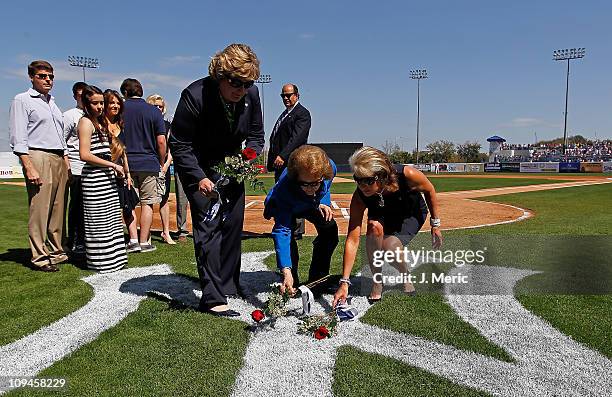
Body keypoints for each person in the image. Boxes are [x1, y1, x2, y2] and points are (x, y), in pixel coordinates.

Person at [169, 43, 264, 317]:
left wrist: (247, 158)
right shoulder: (195, 95)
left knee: (233, 225)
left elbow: (256, 136)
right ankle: (211, 297)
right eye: (235, 82)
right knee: (208, 226)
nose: (241, 89)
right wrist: (198, 177)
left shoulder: (252, 95)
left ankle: (229, 285)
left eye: (247, 83)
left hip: (233, 166)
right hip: (198, 165)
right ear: (220, 75)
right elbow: (180, 143)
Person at [333, 146, 443, 306]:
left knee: (390, 246)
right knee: (373, 227)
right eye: (358, 180)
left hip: (410, 213)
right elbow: (352, 238)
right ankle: (377, 281)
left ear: (382, 176)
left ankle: (405, 276)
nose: (362, 186)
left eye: (368, 180)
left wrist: (435, 224)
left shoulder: (407, 175)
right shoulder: (359, 197)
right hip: (382, 215)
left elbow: (429, 190)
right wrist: (344, 282)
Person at [9, 60, 69, 272]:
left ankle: (57, 252)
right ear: (32, 77)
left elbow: (59, 136)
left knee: (57, 208)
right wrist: (28, 165)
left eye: (51, 76)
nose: (48, 80)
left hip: (58, 157)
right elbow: (19, 137)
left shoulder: (52, 102)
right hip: (38, 155)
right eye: (43, 76)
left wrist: (65, 159)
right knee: (40, 209)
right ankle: (40, 257)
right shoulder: (23, 100)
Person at [263, 145, 338, 295]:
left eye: (315, 183)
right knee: (289, 236)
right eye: (305, 184)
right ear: (296, 177)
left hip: (314, 203)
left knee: (330, 230)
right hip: (290, 202)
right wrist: (286, 270)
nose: (311, 188)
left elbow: (326, 186)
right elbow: (282, 231)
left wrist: (323, 200)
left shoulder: (331, 168)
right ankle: (292, 279)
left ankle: (318, 278)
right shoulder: (285, 189)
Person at [77, 85, 127, 273]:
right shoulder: (85, 123)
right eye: (95, 103)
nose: (99, 107)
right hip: (94, 179)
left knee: (111, 220)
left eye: (101, 103)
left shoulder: (100, 122)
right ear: (86, 103)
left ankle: (115, 260)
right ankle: (101, 262)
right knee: (98, 222)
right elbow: (84, 154)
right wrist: (112, 165)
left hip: (106, 178)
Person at [120, 78, 167, 253]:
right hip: (149, 162)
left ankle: (132, 240)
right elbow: (161, 141)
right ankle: (144, 241)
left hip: (127, 163)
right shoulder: (153, 111)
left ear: (125, 92)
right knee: (148, 203)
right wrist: (161, 162)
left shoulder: (121, 109)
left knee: (129, 203)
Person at [267, 84, 311, 239]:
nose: (286, 98)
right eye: (283, 96)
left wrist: (283, 156)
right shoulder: (286, 114)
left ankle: (296, 230)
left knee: (295, 193)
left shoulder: (302, 114)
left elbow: (296, 139)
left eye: (289, 95)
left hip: (292, 162)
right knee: (284, 194)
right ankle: (286, 225)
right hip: (281, 163)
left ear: (297, 95)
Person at [103, 89, 137, 242]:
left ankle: (134, 240)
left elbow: (124, 154)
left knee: (128, 206)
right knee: (108, 209)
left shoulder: (120, 125)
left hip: (121, 174)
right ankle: (110, 239)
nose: (115, 106)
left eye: (118, 103)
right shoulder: (98, 124)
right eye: (112, 103)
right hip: (104, 173)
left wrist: (128, 175)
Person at [146, 94, 175, 244]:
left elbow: (171, 149)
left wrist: (165, 165)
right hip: (149, 166)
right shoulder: (146, 124)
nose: (158, 108)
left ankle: (166, 232)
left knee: (164, 200)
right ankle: (147, 234)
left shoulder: (167, 125)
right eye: (155, 106)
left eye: (160, 106)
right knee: (148, 201)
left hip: (164, 166)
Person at [63, 81, 88, 256]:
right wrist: (68, 167)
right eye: (80, 95)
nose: (84, 98)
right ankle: (74, 240)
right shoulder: (70, 115)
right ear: (75, 96)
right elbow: (62, 142)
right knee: (77, 206)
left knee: (90, 207)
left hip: (92, 169)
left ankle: (87, 240)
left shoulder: (94, 114)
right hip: (77, 167)